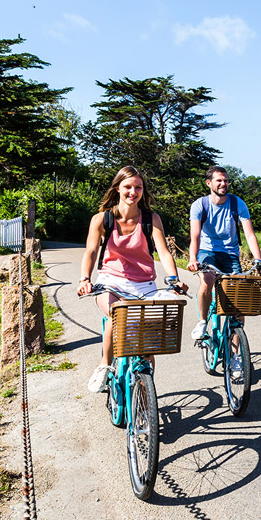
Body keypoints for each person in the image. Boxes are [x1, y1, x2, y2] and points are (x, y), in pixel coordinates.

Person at [77, 165, 185, 393]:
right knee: (118, 314)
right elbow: (90, 251)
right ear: (117, 188)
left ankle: (145, 391)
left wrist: (174, 279)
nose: (133, 192)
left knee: (147, 344)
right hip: (110, 282)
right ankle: (104, 365)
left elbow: (164, 252)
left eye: (138, 187)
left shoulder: (151, 219)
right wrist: (85, 279)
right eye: (128, 187)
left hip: (144, 285)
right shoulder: (101, 220)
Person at [186, 165, 261, 381]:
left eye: (225, 181)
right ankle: (203, 321)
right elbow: (194, 236)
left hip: (230, 253)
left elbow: (249, 234)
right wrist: (193, 258)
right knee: (207, 280)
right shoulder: (200, 205)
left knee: (238, 301)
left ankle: (234, 357)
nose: (223, 184)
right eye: (219, 181)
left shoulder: (237, 203)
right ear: (209, 183)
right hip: (207, 251)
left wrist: (258, 259)